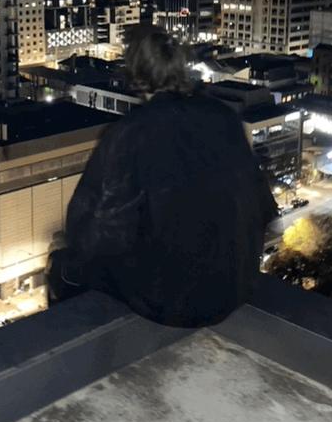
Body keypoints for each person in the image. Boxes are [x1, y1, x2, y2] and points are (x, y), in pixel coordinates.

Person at [47, 25, 278, 328]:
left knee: (62, 266)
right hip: (234, 289)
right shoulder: (223, 117)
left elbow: (102, 231)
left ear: (134, 71)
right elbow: (264, 207)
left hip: (171, 301)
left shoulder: (129, 132)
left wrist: (67, 256)